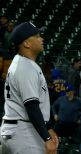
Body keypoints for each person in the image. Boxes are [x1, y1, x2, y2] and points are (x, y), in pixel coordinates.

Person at [0, 22, 58, 154]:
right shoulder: (25, 67)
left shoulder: (20, 62)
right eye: (37, 36)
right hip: (23, 132)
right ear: (27, 43)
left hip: (14, 128)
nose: (41, 39)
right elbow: (32, 106)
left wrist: (48, 127)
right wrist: (47, 138)